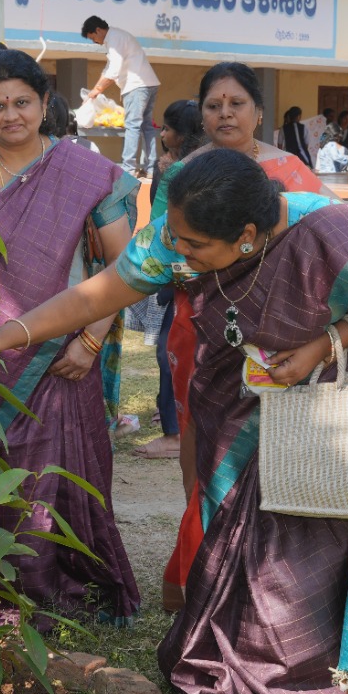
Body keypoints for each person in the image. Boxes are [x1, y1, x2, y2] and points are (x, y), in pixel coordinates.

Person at [0, 148, 348, 694]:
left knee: (296, 548)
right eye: (175, 237)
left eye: (193, 247)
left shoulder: (324, 226)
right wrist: (2, 334)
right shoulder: (179, 233)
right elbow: (98, 295)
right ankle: (229, 659)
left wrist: (321, 346)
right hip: (231, 397)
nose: (176, 255)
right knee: (232, 537)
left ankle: (292, 679)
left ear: (246, 236)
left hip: (318, 419)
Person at [0, 48, 141, 622]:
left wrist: (91, 339)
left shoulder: (85, 172)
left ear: (45, 103)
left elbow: (125, 268)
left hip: (60, 353)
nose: (10, 116)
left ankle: (65, 585)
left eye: (22, 102)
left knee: (60, 473)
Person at [151, 63, 330, 612]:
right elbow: (158, 248)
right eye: (213, 104)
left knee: (268, 442)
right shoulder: (185, 175)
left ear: (258, 110)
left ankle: (257, 564)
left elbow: (320, 248)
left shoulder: (293, 174)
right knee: (198, 439)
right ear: (200, 114)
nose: (224, 113)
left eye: (236, 103)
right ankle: (201, 549)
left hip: (276, 333)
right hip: (199, 324)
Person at [133, 98, 202, 463]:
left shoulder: (177, 172)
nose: (163, 134)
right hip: (183, 276)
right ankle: (178, 427)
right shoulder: (173, 169)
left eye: (168, 128)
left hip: (183, 276)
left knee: (170, 351)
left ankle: (176, 433)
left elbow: (160, 224)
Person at [82, 15, 160, 178]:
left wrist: (97, 90)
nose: (94, 42)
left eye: (93, 37)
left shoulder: (114, 38)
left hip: (137, 86)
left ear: (98, 30)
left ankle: (128, 168)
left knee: (132, 125)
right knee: (146, 127)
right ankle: (152, 168)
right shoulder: (117, 36)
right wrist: (96, 88)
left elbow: (113, 71)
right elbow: (108, 68)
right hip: (148, 83)